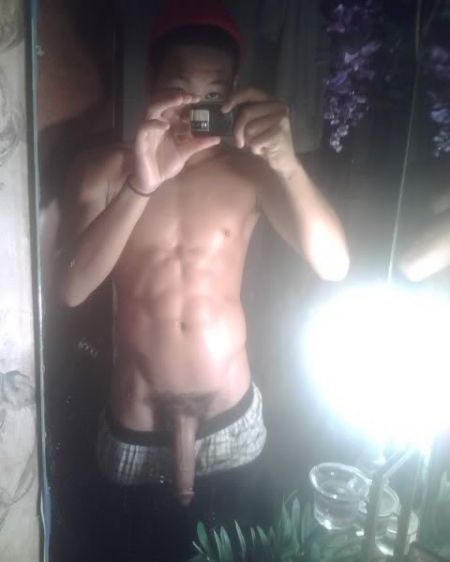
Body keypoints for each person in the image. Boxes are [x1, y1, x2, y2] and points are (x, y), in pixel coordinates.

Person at [58, 0, 350, 506]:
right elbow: (71, 289)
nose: (196, 108)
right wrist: (141, 185)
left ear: (232, 92)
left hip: (232, 421)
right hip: (135, 425)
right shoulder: (101, 170)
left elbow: (334, 265)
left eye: (213, 95)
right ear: (150, 81)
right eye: (180, 90)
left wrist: (289, 166)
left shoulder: (251, 172)